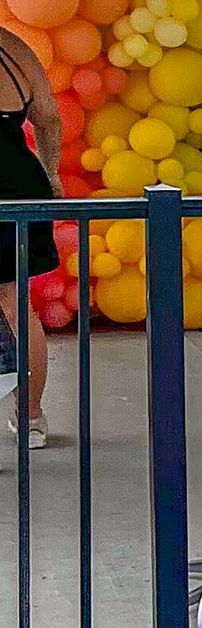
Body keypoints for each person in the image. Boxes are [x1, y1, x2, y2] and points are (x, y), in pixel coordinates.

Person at [0, 28, 60, 450]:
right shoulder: (12, 46)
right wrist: (52, 173)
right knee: (18, 302)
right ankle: (31, 417)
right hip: (20, 181)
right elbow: (49, 118)